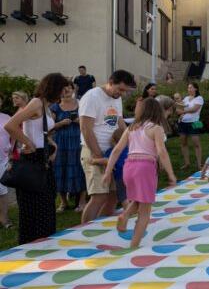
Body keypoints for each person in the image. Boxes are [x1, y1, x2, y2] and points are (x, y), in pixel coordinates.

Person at [4, 73, 69, 244]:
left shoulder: (45, 105)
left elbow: (41, 132)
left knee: (46, 207)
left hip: (43, 159)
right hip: (33, 160)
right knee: (33, 209)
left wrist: (53, 145)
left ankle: (43, 246)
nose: (65, 93)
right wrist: (28, 143)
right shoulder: (36, 102)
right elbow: (10, 125)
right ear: (54, 87)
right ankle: (31, 248)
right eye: (63, 89)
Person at [103, 98, 176, 248]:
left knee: (138, 198)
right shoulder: (156, 128)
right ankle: (134, 245)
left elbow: (117, 150)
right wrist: (171, 174)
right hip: (145, 167)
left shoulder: (131, 128)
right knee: (145, 210)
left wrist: (107, 171)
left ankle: (125, 214)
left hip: (128, 166)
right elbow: (162, 152)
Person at [79, 70, 134, 224]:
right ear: (110, 82)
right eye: (120, 89)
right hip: (93, 151)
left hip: (113, 152)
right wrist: (98, 156)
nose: (122, 94)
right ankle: (83, 233)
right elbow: (85, 128)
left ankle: (101, 230)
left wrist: (130, 142)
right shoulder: (92, 97)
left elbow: (120, 121)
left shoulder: (116, 98)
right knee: (99, 196)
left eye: (125, 91)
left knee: (114, 195)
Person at [50, 83, 86, 213]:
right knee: (60, 169)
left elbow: (90, 122)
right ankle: (63, 202)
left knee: (80, 168)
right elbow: (49, 126)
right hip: (61, 142)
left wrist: (78, 121)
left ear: (73, 89)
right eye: (63, 89)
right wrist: (60, 123)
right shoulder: (55, 107)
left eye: (69, 88)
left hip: (78, 141)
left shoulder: (81, 104)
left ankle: (82, 201)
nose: (66, 91)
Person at [177, 82, 204, 170]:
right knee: (183, 143)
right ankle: (187, 163)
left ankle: (199, 164)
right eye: (188, 88)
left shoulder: (199, 98)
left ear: (196, 88)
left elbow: (194, 109)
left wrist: (183, 111)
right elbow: (178, 109)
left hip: (195, 122)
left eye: (191, 87)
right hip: (183, 122)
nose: (189, 89)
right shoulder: (186, 98)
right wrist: (180, 112)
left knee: (196, 143)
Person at [107, 127, 128, 209]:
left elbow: (106, 160)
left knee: (122, 195)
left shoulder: (111, 151)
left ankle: (127, 209)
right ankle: (137, 208)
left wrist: (94, 161)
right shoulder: (130, 148)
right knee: (134, 192)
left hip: (119, 176)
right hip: (131, 174)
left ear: (113, 140)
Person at [0, 98, 13, 228]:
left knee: (2, 189)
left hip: (2, 157)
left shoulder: (6, 117)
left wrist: (11, 149)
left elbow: (13, 133)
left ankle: (4, 219)